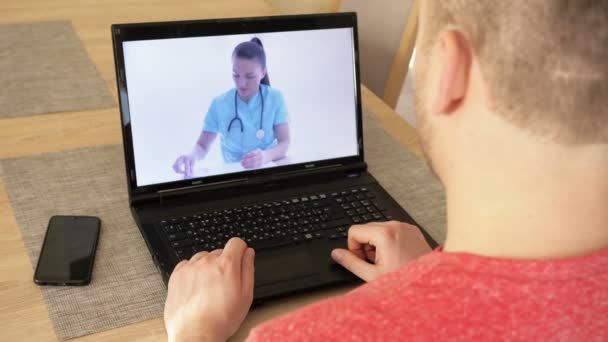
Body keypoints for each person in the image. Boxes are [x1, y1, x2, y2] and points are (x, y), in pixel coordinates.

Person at [163, 1, 608, 341]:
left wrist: (195, 331)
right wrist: (428, 278)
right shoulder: (221, 104)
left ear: (450, 71)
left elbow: (284, 142)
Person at [173, 37, 290, 178]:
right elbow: (202, 146)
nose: (241, 83)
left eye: (250, 76)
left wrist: (265, 156)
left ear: (263, 73)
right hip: (234, 178)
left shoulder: (275, 98)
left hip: (269, 173)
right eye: (236, 75)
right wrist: (191, 156)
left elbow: (284, 143)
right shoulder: (219, 104)